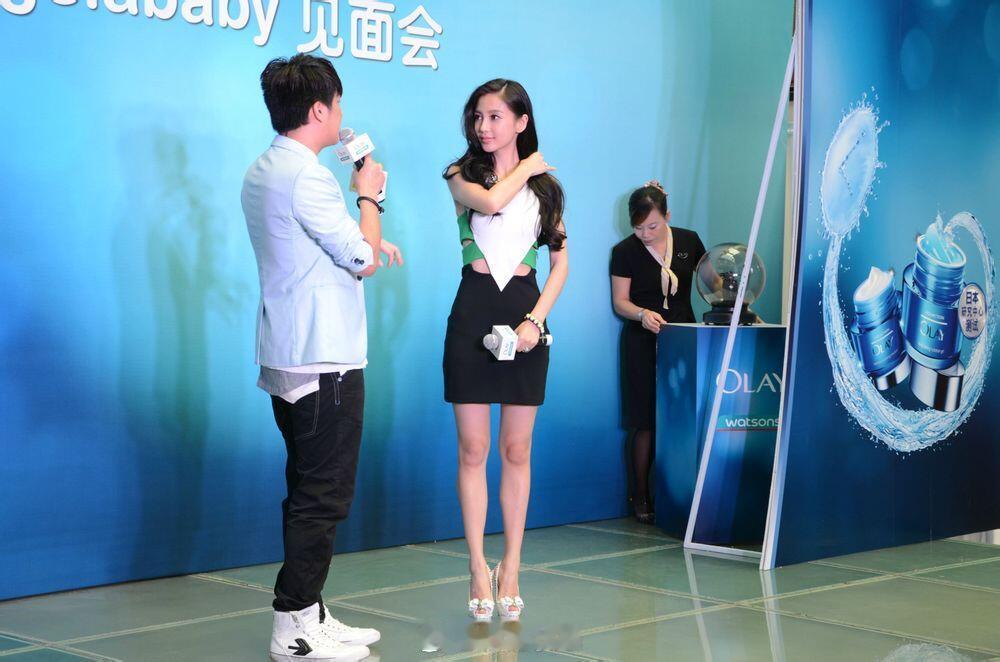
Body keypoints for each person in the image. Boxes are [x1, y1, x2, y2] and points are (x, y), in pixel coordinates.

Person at [242, 54, 403, 662]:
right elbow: (359, 258)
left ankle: (309, 612)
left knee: (306, 487)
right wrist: (370, 198)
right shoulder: (307, 176)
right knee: (323, 496)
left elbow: (314, 246)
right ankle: (293, 626)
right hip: (322, 358)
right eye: (338, 104)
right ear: (318, 109)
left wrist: (367, 232)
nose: (342, 115)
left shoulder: (265, 169)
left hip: (289, 353)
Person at [442, 79, 568, 623]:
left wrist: (535, 320)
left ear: (521, 120)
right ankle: (477, 566)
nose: (483, 126)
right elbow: (493, 201)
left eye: (495, 116)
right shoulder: (461, 174)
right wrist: (531, 163)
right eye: (478, 117)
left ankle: (511, 565)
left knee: (517, 450)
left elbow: (561, 262)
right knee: (473, 450)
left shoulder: (547, 190)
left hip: (525, 315)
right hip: (472, 312)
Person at [610, 181, 706, 524]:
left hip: (683, 338)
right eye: (638, 228)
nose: (646, 234)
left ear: (668, 216)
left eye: (652, 226)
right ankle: (640, 495)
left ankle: (684, 494)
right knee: (645, 420)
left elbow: (710, 281)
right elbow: (620, 301)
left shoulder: (689, 241)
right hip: (641, 340)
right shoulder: (624, 251)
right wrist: (641, 314)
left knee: (683, 416)